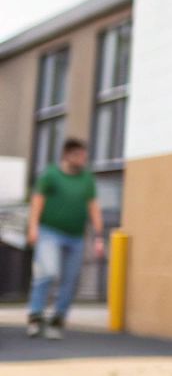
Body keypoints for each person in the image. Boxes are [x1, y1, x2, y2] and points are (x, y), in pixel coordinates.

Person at [26, 138, 104, 341]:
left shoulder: (86, 179)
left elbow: (93, 207)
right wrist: (33, 227)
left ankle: (57, 320)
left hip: (76, 236)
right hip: (49, 232)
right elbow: (37, 201)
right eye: (79, 155)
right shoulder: (51, 175)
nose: (83, 159)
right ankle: (36, 316)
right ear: (67, 155)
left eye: (85, 156)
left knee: (70, 280)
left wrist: (98, 236)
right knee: (48, 272)